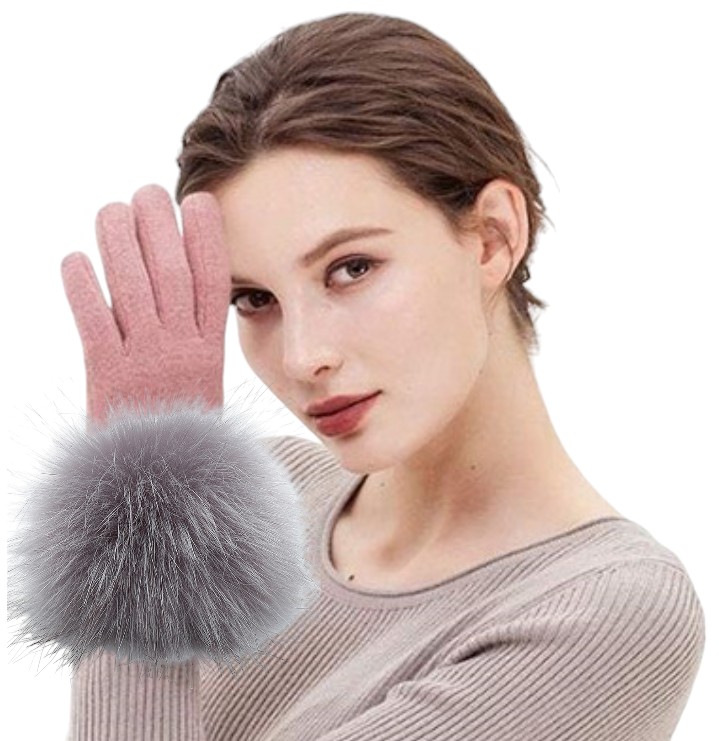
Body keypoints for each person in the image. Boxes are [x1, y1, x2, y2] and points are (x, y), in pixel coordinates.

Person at [66, 11, 705, 740]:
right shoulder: (259, 499)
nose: (302, 356)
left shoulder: (602, 612)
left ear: (493, 236)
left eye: (351, 268)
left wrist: (148, 519)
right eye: (254, 299)